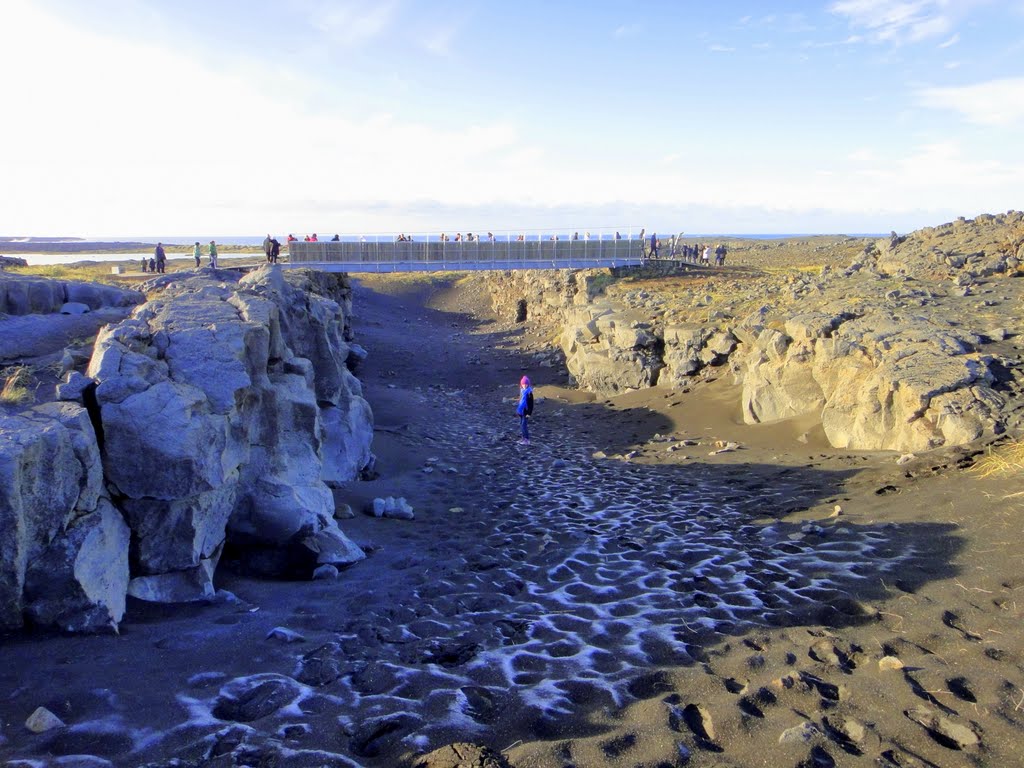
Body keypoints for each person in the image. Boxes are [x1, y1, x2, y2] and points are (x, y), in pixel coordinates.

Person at [516, 375, 534, 445]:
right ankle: (523, 438)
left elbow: (531, 404)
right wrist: (518, 411)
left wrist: (529, 413)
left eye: (526, 384)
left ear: (528, 384)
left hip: (526, 412)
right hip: (521, 411)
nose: (525, 385)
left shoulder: (529, 393)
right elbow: (520, 401)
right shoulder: (522, 391)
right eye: (523, 384)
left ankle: (527, 439)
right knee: (521, 425)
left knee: (524, 425)